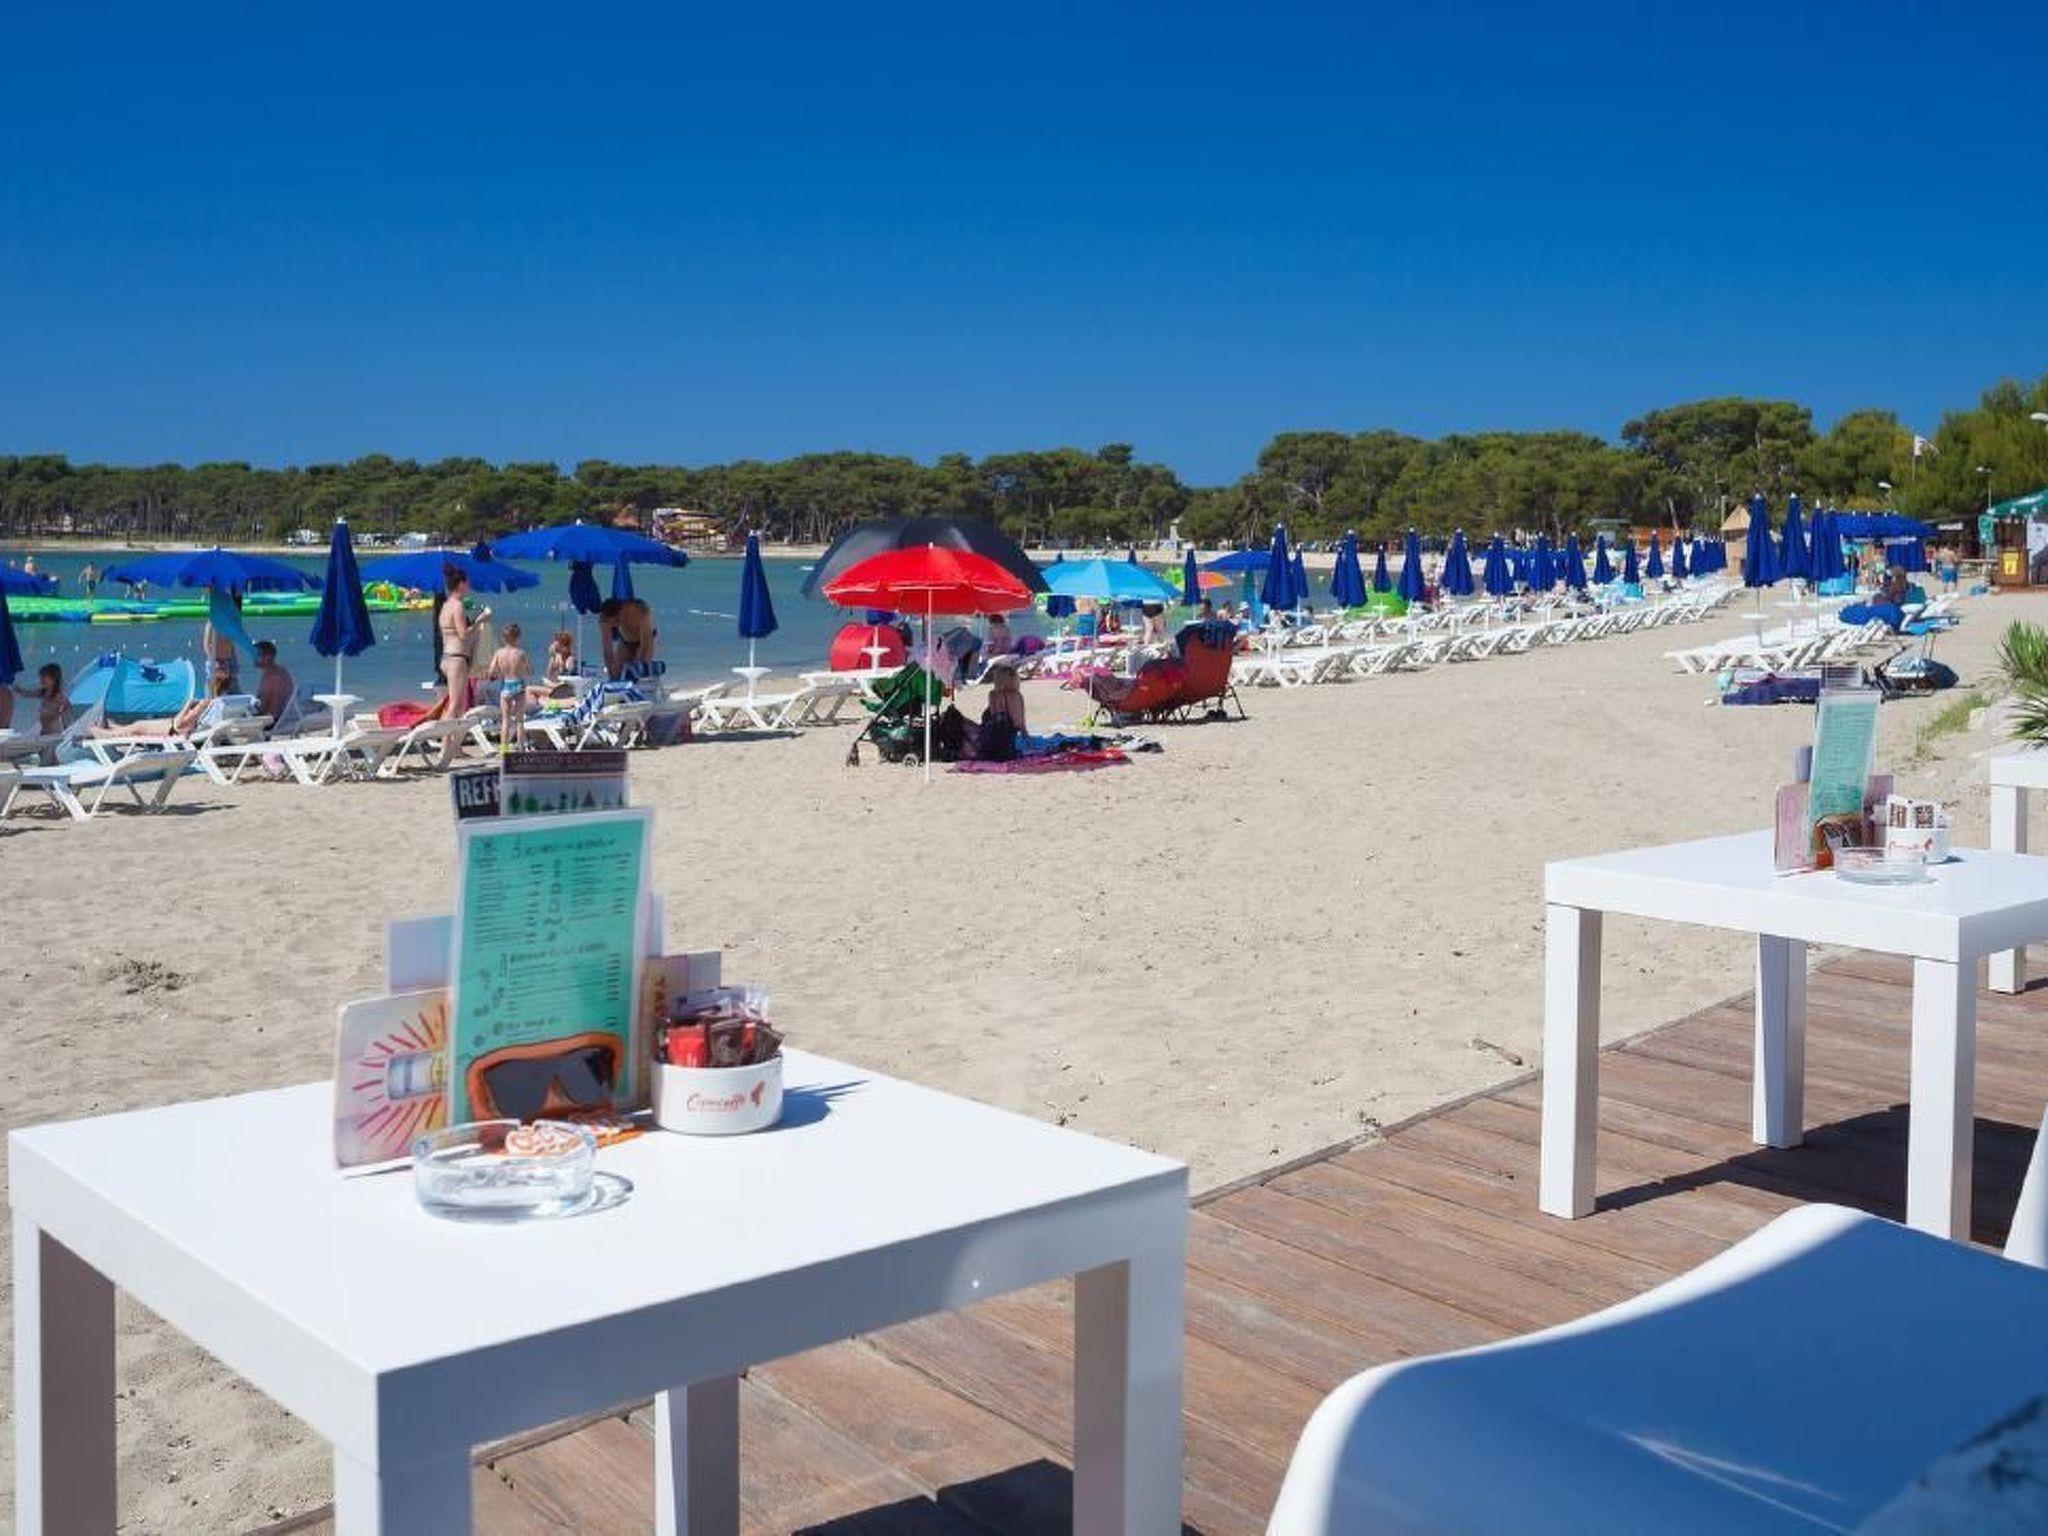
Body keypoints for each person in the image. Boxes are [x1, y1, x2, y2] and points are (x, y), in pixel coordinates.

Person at [436, 566, 490, 765]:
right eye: (467, 583)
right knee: (456, 704)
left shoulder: (445, 605)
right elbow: (463, 635)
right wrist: (480, 620)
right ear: (460, 584)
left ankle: (454, 747)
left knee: (455, 704)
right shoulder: (457, 606)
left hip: (447, 657)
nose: (469, 586)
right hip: (457, 658)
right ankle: (445, 747)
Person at [598, 596, 657, 680]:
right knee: (616, 674)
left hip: (646, 639)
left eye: (617, 620)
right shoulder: (604, 620)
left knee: (638, 671)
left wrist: (638, 663)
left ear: (621, 611)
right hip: (626, 642)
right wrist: (612, 674)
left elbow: (646, 644)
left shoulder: (641, 611)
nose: (616, 624)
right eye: (612, 623)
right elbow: (608, 651)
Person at [202, 592, 243, 697]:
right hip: (216, 660)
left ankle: (237, 700)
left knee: (232, 685)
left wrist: (233, 658)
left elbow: (231, 642)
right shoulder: (212, 622)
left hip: (228, 660)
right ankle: (211, 702)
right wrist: (213, 662)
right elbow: (206, 644)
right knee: (214, 687)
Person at [13, 662, 69, 737]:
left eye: (44, 677)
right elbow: (27, 694)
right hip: (44, 731)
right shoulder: (42, 692)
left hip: (55, 731)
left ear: (53, 680)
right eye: (41, 677)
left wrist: (66, 731)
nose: (41, 679)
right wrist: (19, 690)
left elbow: (65, 715)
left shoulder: (59, 698)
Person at [252, 640, 295, 724]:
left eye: (256, 655)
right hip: (282, 718)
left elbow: (268, 708)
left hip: (273, 721)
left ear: (268, 657)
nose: (253, 658)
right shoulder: (281, 670)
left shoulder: (272, 677)